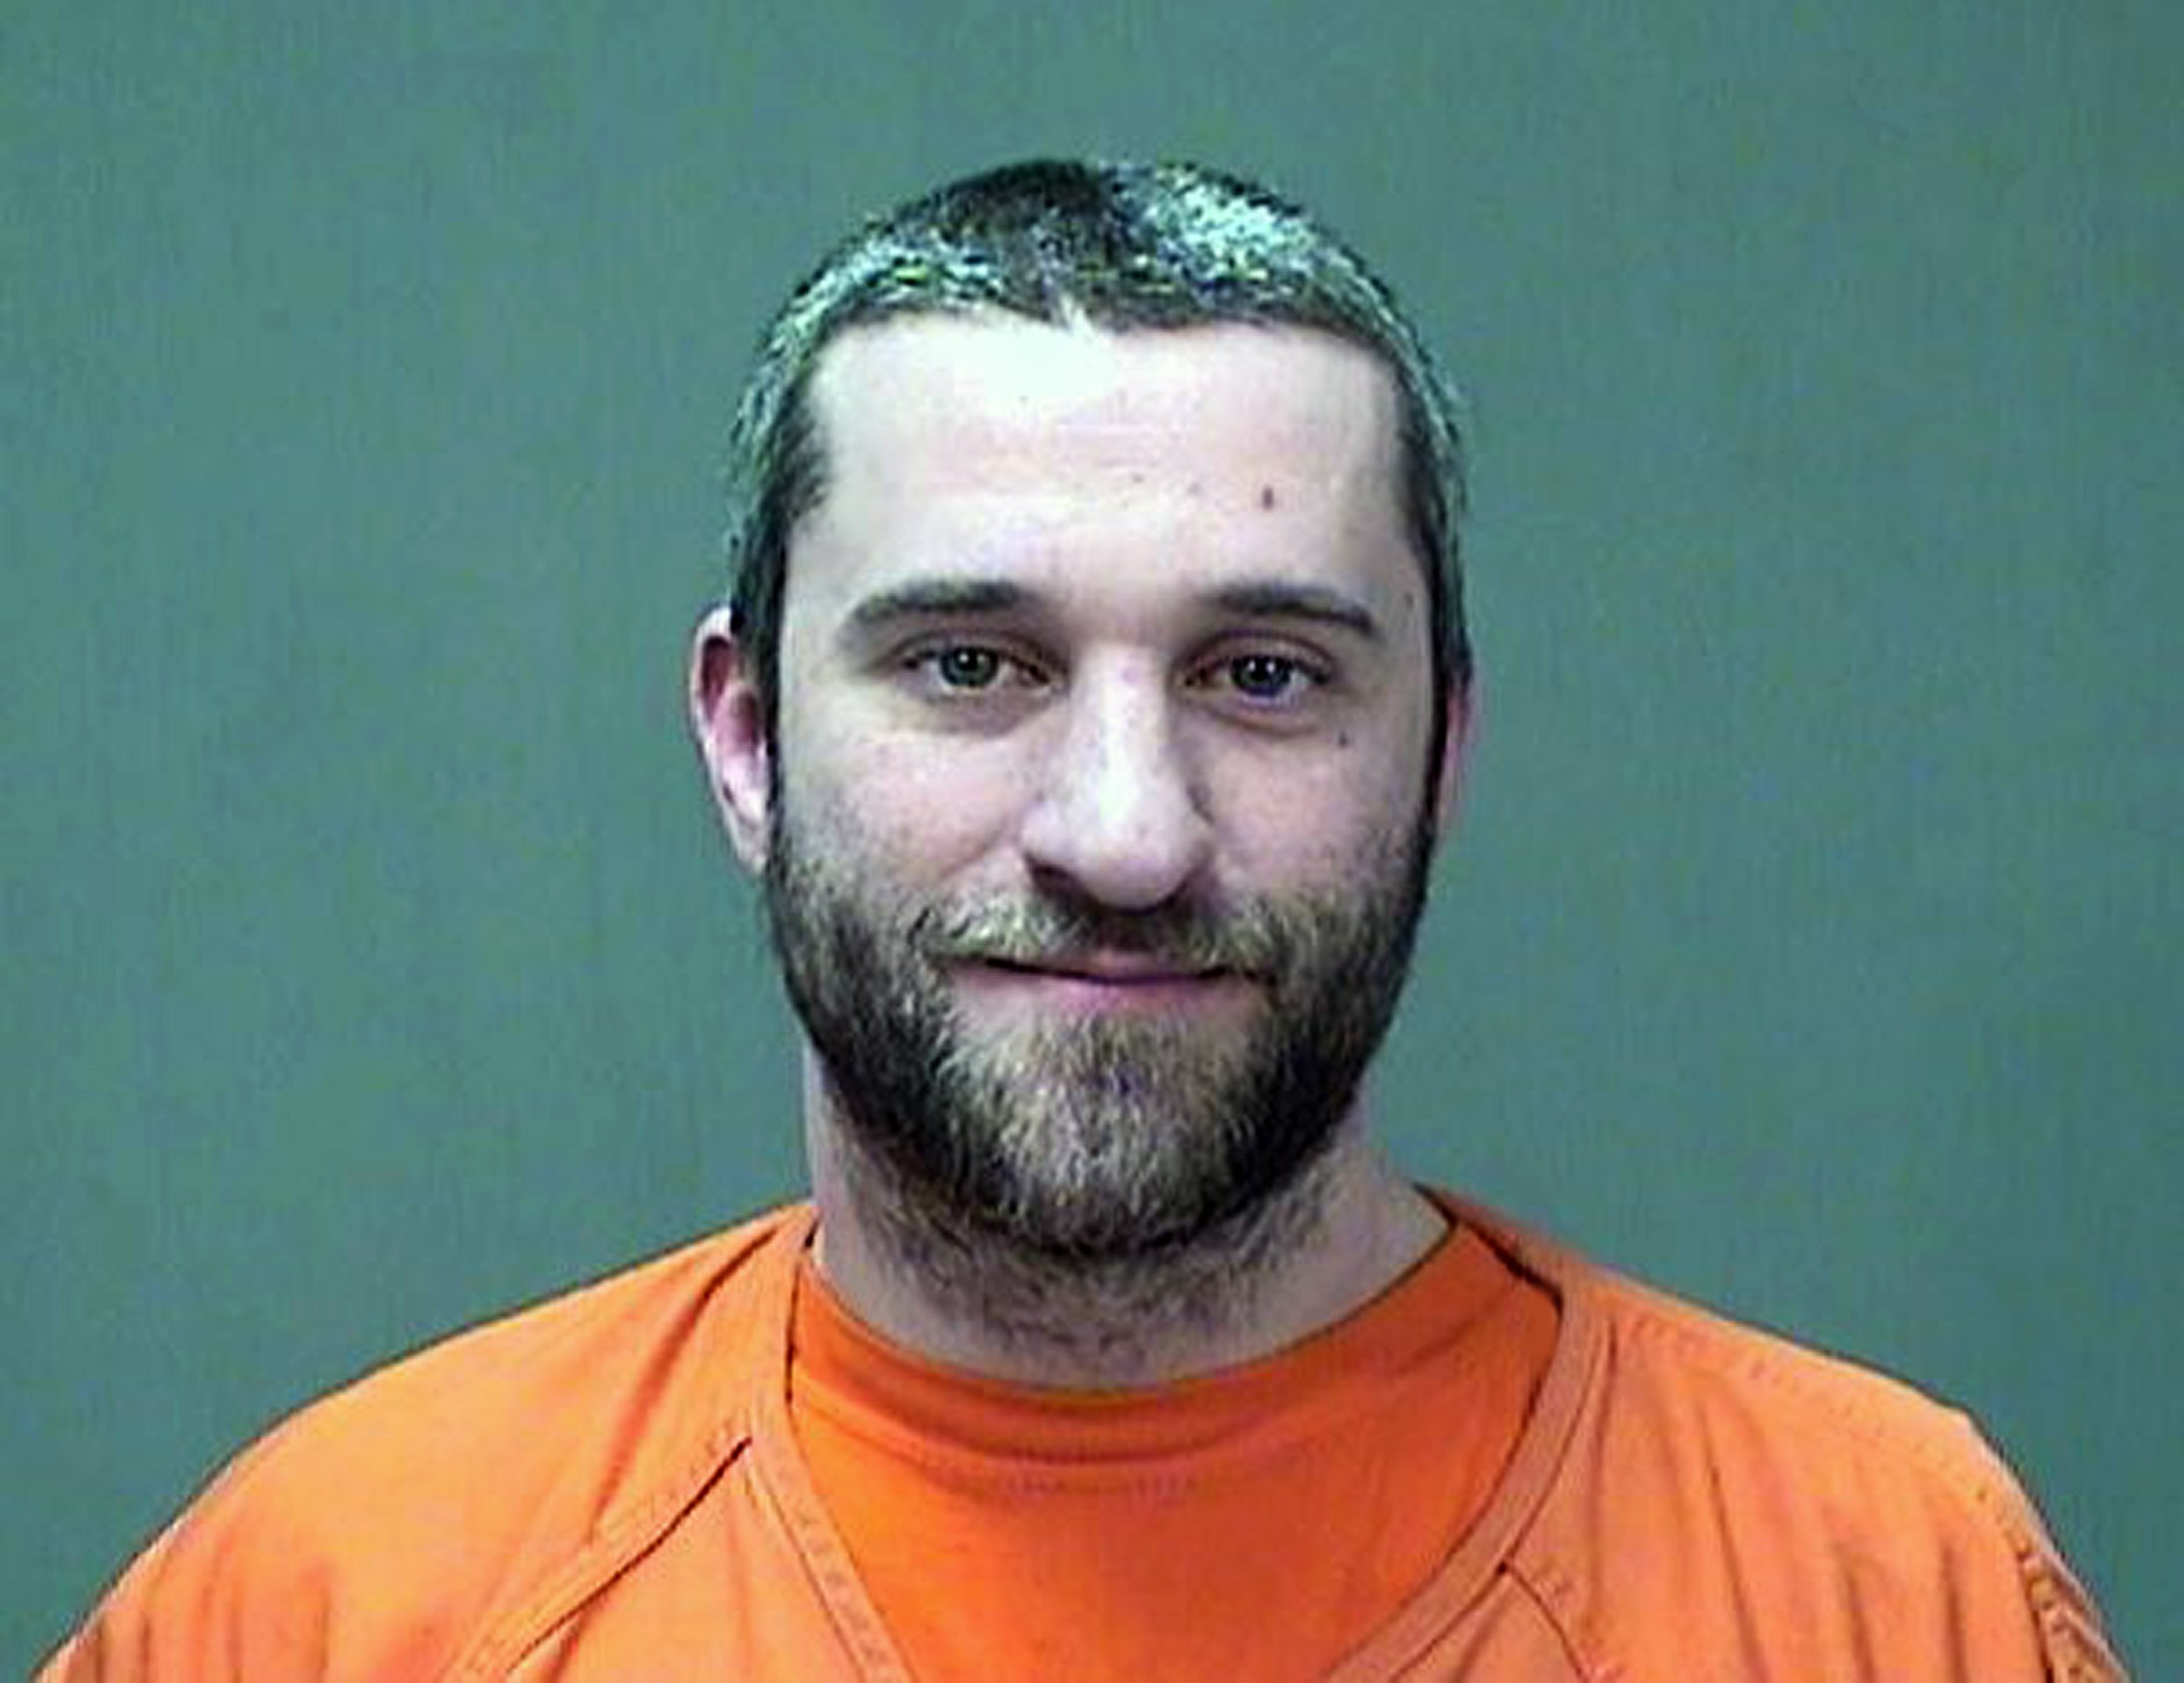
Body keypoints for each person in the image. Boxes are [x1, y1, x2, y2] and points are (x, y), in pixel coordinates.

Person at [43, 159, 2121, 1682]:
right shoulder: (331, 1604)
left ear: (1443, 750)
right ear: (748, 740)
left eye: (1265, 675)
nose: (1125, 834)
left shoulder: (1888, 1590)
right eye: (970, 664)